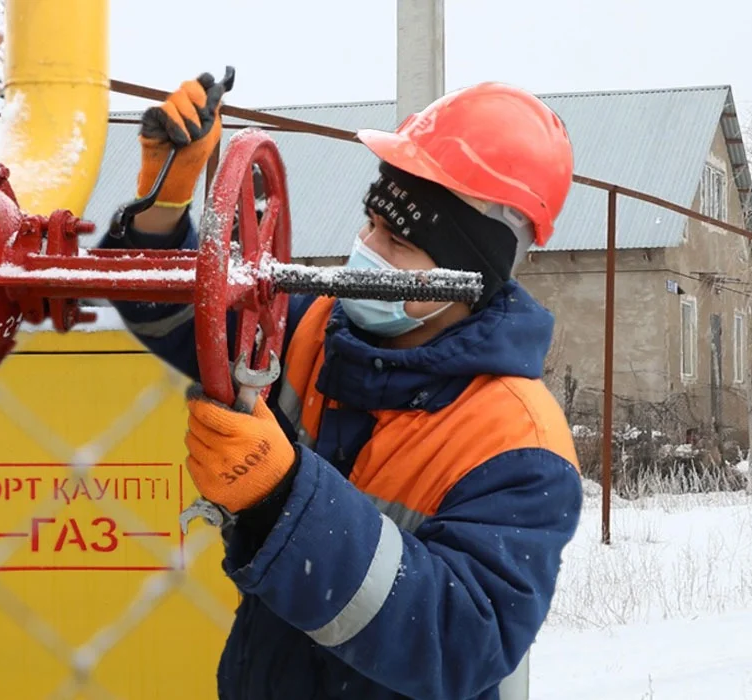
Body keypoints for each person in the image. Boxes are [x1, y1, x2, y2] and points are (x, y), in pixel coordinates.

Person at [96, 71, 584, 700]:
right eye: (372, 223)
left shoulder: (520, 443)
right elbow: (186, 323)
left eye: (399, 240)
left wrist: (282, 498)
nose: (367, 249)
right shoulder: (316, 328)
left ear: (470, 273)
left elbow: (463, 638)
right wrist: (163, 211)